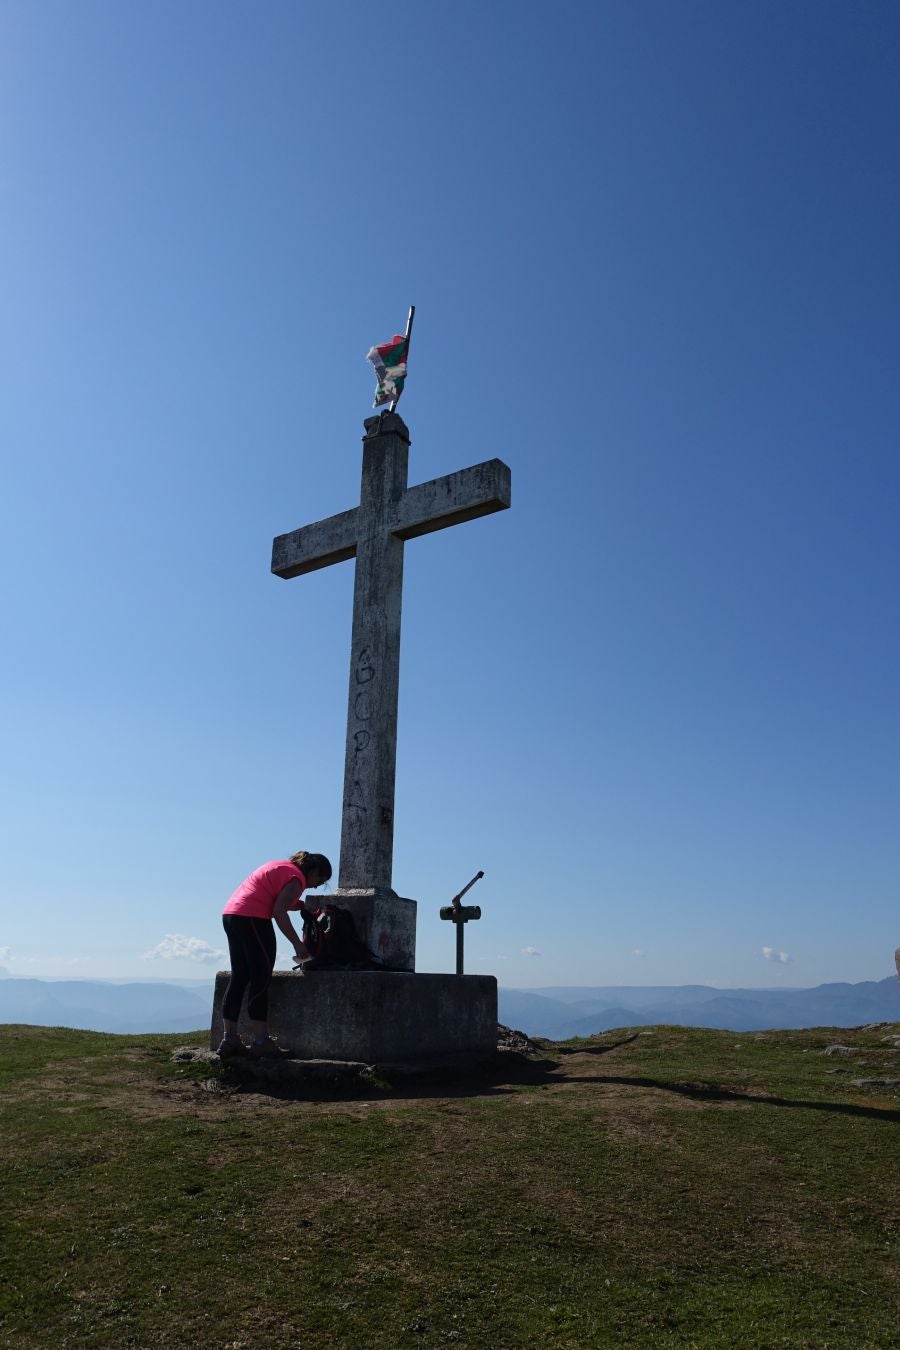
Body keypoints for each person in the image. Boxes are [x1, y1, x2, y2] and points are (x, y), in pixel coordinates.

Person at [218, 850, 333, 1058]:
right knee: (260, 977)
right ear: (313, 871)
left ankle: (229, 1039)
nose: (316, 885)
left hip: (231, 915)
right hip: (254, 918)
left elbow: (273, 897)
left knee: (240, 976)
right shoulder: (296, 878)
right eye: (320, 879)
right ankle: (261, 1041)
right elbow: (279, 911)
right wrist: (298, 944)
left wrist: (297, 905)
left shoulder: (280, 866)